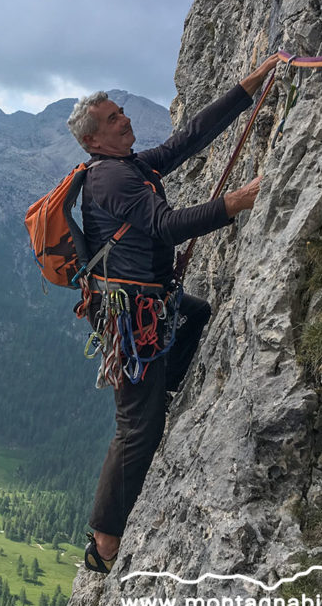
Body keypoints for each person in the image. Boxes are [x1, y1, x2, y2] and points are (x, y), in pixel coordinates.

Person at [66, 55, 280, 573]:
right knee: (137, 430)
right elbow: (165, 226)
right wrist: (237, 201)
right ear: (95, 139)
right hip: (129, 314)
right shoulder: (110, 181)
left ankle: (161, 385)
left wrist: (245, 89)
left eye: (122, 112)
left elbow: (187, 140)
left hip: (148, 301)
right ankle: (105, 543)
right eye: (115, 118)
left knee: (199, 312)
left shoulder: (131, 166)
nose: (126, 119)